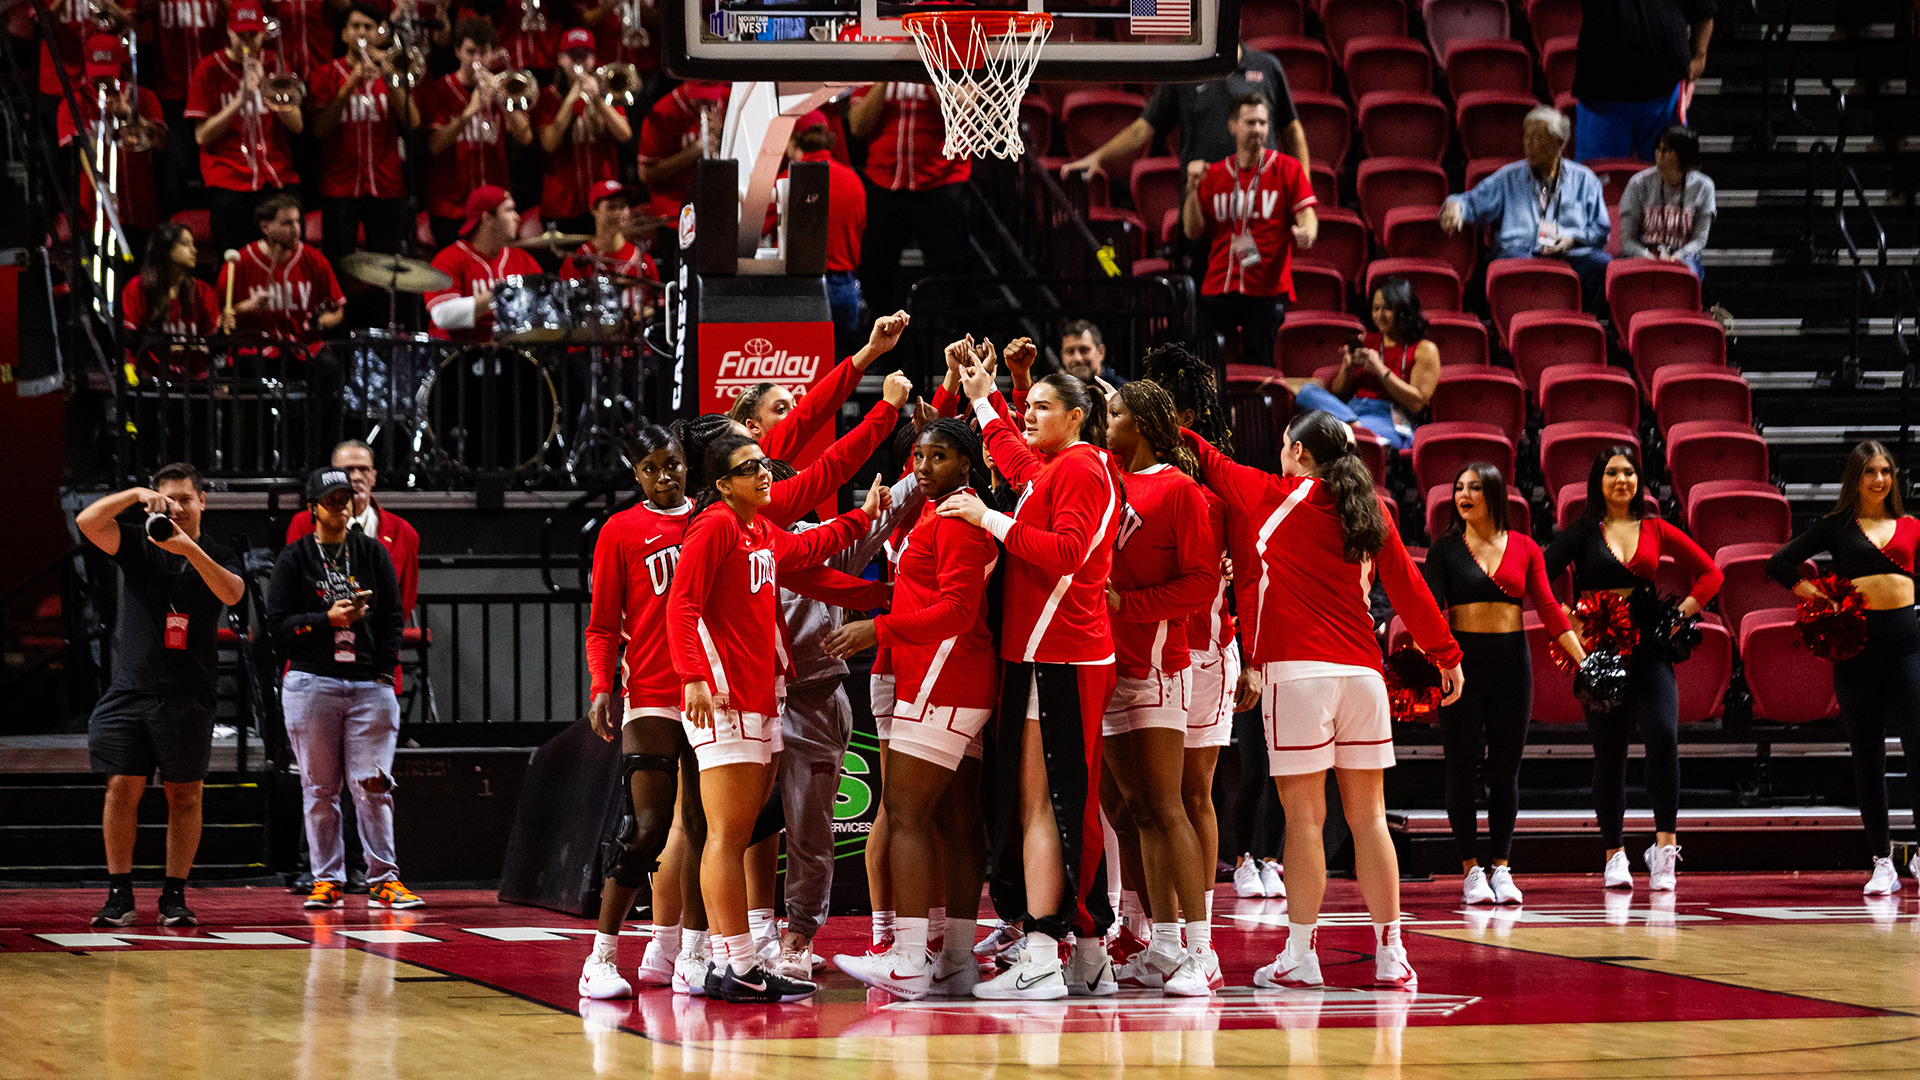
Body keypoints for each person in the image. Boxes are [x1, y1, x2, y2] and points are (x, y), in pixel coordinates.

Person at [1181, 411, 1464, 990]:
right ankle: (1392, 955)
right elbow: (1410, 589)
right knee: (1370, 820)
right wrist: (1447, 655)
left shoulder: (1275, 495)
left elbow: (1208, 458)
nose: (1279, 454)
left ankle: (1300, 955)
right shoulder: (1373, 510)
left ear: (1301, 454)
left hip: (1299, 676)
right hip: (1363, 675)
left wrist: (1162, 417)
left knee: (1305, 821)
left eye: (1284, 445)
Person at [666, 436, 891, 1003]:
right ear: (721, 484)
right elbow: (682, 605)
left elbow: (812, 547)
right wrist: (694, 677)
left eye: (763, 464)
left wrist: (862, 516)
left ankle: (730, 962)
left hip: (762, 696)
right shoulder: (714, 525)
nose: (764, 474)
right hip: (724, 698)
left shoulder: (759, 531)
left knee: (737, 834)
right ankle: (734, 964)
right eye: (749, 468)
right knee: (726, 836)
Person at [940, 361, 1127, 1001]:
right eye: (1030, 406)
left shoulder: (1080, 466)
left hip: (1060, 653)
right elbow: (1018, 465)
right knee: (1061, 804)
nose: (1031, 415)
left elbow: (1068, 551)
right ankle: (1090, 955)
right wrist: (986, 397)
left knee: (1043, 805)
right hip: (1055, 653)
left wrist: (985, 519)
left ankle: (1044, 950)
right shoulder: (1059, 468)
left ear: (1077, 416)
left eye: (1042, 407)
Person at [828, 419, 1001, 1000]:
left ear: (966, 463)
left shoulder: (956, 518)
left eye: (940, 456)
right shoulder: (942, 510)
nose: (923, 466)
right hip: (955, 679)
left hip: (942, 678)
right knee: (957, 819)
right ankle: (955, 958)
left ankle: (906, 956)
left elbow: (955, 611)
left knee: (904, 814)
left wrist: (877, 630)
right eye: (919, 456)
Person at [76, 464, 247, 928]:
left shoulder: (218, 551)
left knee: (186, 794)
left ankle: (174, 895)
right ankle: (119, 893)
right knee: (121, 788)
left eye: (185, 499)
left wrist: (187, 548)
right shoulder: (139, 542)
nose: (176, 507)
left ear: (202, 501)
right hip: (131, 689)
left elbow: (233, 593)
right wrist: (133, 494)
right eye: (168, 498)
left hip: (188, 693)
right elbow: (87, 522)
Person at [1543, 447, 1722, 892]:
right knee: (1610, 754)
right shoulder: (1582, 531)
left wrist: (1681, 614)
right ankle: (1614, 853)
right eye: (1611, 473)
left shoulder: (1657, 528)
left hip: (1651, 649)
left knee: (1664, 735)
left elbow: (1711, 574)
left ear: (1640, 481)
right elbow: (1539, 576)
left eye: (1629, 473)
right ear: (1597, 482)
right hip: (1602, 656)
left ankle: (1665, 850)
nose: (1621, 480)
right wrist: (1569, 615)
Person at [1098, 379, 1221, 997]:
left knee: (1167, 807)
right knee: (1130, 811)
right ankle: (1163, 945)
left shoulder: (1183, 492)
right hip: (1104, 665)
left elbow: (1201, 584)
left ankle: (1202, 952)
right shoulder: (1106, 477)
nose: (1106, 421)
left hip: (1157, 665)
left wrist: (1133, 602)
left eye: (1115, 413)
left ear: (1141, 426)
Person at [1425, 464, 1587, 905]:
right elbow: (1430, 611)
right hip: (1460, 667)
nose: (1464, 494)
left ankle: (1501, 866)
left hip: (1513, 665)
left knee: (1505, 769)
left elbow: (1551, 609)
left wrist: (1585, 661)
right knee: (1460, 766)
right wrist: (1442, 659)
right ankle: (1469, 869)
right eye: (1459, 487)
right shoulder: (1444, 550)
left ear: (1494, 494)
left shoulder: (1526, 547)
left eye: (1474, 487)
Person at [578, 423, 701, 999]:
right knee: (647, 828)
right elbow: (603, 625)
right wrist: (603, 684)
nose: (665, 474)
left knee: (705, 830)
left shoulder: (714, 517)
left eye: (671, 462)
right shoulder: (620, 531)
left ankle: (694, 955)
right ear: (636, 474)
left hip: (712, 692)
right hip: (651, 691)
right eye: (651, 467)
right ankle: (601, 956)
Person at [1766, 442, 1920, 895]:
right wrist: (1820, 597)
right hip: (1858, 647)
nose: (1879, 479)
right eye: (1870, 471)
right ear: (1855, 477)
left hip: (1909, 645)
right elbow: (1779, 562)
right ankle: (1882, 862)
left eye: (1886, 471)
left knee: (1918, 745)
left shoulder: (1911, 526)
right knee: (1867, 755)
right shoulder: (1836, 526)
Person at [266, 467, 419, 912]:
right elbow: (276, 627)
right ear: (311, 507)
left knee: (374, 786)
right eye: (330, 499)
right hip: (312, 680)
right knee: (319, 789)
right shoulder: (294, 559)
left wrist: (384, 672)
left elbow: (393, 616)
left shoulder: (370, 552)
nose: (341, 505)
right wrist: (325, 621)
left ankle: (384, 879)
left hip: (368, 682)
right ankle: (326, 879)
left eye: (346, 497)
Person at [1140, 345, 1257, 908]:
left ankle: (1199, 928)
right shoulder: (1126, 476)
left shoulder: (1217, 491)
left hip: (1206, 653)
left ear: (1182, 421)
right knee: (1144, 800)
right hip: (1146, 653)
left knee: (1192, 793)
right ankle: (1140, 927)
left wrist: (1255, 659)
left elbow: (1251, 578)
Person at [1183, 93, 1318, 372]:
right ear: (1233, 126)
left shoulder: (1287, 169)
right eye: (1250, 122)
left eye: (1263, 123)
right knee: (1202, 366)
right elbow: (1192, 230)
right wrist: (1192, 189)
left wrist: (1307, 231)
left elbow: (1308, 216)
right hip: (1219, 283)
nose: (1257, 129)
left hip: (1265, 287)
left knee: (1262, 370)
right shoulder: (1215, 174)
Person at [1441, 107, 1611, 312]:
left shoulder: (1585, 179)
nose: (1528, 144)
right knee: (1512, 264)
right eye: (1526, 136)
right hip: (1522, 252)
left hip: (1570, 253)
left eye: (1537, 138)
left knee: (1601, 264)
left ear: (1559, 143)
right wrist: (1455, 204)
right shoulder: (1508, 177)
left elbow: (1601, 229)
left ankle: (1585, 325)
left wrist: (1571, 240)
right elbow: (1470, 202)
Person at [1061, 43, 1308, 178]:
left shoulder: (1267, 66)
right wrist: (1099, 156)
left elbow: (1293, 130)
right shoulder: (1185, 70)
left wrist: (1302, 193)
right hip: (1204, 202)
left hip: (1262, 199)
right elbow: (1143, 127)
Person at [187, 1, 304, 259]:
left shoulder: (275, 64)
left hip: (275, 174)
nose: (247, 42)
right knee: (236, 263)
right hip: (229, 179)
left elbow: (297, 124)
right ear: (228, 31)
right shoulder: (208, 68)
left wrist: (267, 90)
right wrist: (240, 100)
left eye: (254, 34)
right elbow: (201, 136)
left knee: (288, 256)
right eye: (241, 35)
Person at [307, 5, 419, 276]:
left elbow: (413, 121)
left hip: (386, 186)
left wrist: (390, 78)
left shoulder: (390, 72)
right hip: (340, 188)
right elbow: (318, 129)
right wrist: (350, 85)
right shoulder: (325, 74)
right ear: (344, 34)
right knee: (340, 268)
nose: (362, 32)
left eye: (369, 27)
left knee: (384, 273)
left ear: (378, 35)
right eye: (356, 26)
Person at [849, 80, 975, 318]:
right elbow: (857, 126)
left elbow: (962, 111)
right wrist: (885, 78)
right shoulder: (880, 54)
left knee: (952, 278)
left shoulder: (956, 53)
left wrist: (928, 72)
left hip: (942, 181)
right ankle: (883, 347)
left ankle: (956, 343)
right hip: (884, 180)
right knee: (875, 275)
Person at [419, 18, 533, 250]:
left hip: (493, 208)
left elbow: (526, 137)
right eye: (470, 52)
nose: (477, 60)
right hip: (451, 207)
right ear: (458, 51)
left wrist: (503, 100)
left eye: (483, 53)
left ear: (493, 54)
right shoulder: (440, 89)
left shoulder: (503, 88)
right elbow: (434, 146)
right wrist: (470, 110)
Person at [286, 440, 422, 630]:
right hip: (317, 640)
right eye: (348, 470)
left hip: (376, 643)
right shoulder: (304, 523)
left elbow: (404, 601)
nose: (357, 477)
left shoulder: (403, 532)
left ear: (374, 477)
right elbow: (293, 592)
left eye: (364, 470)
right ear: (331, 477)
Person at [1295, 276, 1441, 451]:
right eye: (1375, 308)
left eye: (1386, 308)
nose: (1378, 315)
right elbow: (1339, 393)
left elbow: (1417, 403)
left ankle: (1350, 430)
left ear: (1403, 311)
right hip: (1350, 409)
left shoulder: (1424, 349)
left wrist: (1380, 370)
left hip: (1387, 415)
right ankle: (1354, 427)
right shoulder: (1365, 341)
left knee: (1326, 434)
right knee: (1307, 392)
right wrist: (1347, 369)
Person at [57, 34, 167, 260]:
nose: (103, 82)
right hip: (95, 215)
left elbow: (159, 144)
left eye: (109, 73)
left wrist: (130, 116)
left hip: (140, 209)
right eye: (97, 74)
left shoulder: (144, 97)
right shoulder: (73, 103)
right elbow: (83, 155)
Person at [1574, 0, 1715, 163]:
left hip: (1665, 96)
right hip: (1601, 97)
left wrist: (1700, 55)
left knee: (1668, 180)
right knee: (1599, 178)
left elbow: (1704, 12)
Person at [777, 111, 867, 353]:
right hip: (845, 288)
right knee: (840, 375)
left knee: (803, 374)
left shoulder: (787, 181)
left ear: (791, 139)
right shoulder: (853, 180)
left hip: (804, 289)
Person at [214, 191, 347, 348]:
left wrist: (323, 322)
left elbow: (338, 309)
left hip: (303, 348)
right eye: (287, 223)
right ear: (265, 227)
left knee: (328, 366)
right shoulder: (240, 262)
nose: (296, 229)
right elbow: (217, 315)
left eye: (297, 222)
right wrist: (247, 306)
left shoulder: (315, 259)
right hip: (255, 349)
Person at [534, 29, 631, 235]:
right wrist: (570, 100)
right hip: (563, 205)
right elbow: (549, 143)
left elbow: (625, 135)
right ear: (561, 59)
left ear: (594, 59)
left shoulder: (608, 92)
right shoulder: (547, 97)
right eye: (572, 55)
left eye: (584, 55)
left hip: (604, 203)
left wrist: (598, 100)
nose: (579, 62)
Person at [424, 185, 544, 342]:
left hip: (512, 353)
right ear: (487, 218)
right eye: (509, 211)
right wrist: (500, 294)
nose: (517, 217)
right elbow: (442, 316)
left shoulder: (523, 260)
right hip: (459, 354)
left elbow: (543, 309)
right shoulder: (449, 259)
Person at [151, 0, 228, 211]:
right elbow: (141, 10)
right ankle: (173, 234)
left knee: (217, 167)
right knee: (175, 169)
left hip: (216, 89)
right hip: (173, 91)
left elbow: (236, 12)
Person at [120, 223, 222, 378]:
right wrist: (167, 344)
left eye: (193, 245)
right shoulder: (137, 287)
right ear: (165, 250)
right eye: (186, 244)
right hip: (151, 379)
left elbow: (212, 339)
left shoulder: (203, 291)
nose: (194, 250)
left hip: (193, 379)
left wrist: (225, 326)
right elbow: (128, 335)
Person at [1618, 125, 1715, 279]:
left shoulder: (1703, 186)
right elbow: (1627, 241)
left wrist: (1678, 256)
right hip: (1643, 255)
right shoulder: (1638, 183)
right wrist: (1650, 258)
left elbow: (1700, 239)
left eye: (1665, 150)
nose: (1658, 155)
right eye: (1658, 149)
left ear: (1683, 155)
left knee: (1687, 274)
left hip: (1683, 256)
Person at [560, 180, 660, 323]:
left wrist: (646, 314)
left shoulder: (643, 260)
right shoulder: (576, 261)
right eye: (611, 207)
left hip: (636, 343)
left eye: (623, 206)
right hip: (590, 342)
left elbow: (657, 305)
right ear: (593, 210)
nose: (619, 213)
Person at [634, 80, 729, 221]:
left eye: (711, 99)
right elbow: (645, 173)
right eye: (700, 99)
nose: (706, 105)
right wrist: (694, 150)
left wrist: (721, 135)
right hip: (675, 205)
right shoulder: (663, 113)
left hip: (716, 199)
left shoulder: (729, 98)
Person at [1060, 320, 1125, 387]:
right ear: (1062, 356)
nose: (1077, 358)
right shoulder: (1055, 393)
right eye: (1070, 351)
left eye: (1084, 350)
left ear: (1101, 352)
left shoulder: (1121, 393)